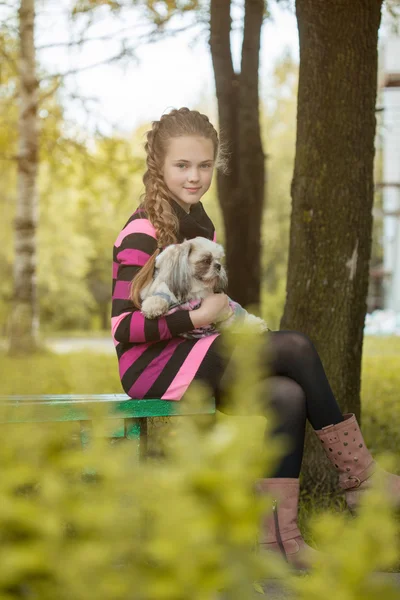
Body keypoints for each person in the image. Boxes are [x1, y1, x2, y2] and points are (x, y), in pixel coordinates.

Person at [111, 107, 400, 569]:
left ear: (216, 163)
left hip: (200, 352)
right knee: (297, 346)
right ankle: (360, 478)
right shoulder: (142, 229)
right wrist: (200, 315)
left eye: (204, 165)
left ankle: (280, 546)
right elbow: (123, 328)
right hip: (154, 368)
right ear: (159, 166)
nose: (194, 176)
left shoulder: (201, 224)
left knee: (286, 396)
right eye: (182, 165)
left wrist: (210, 314)